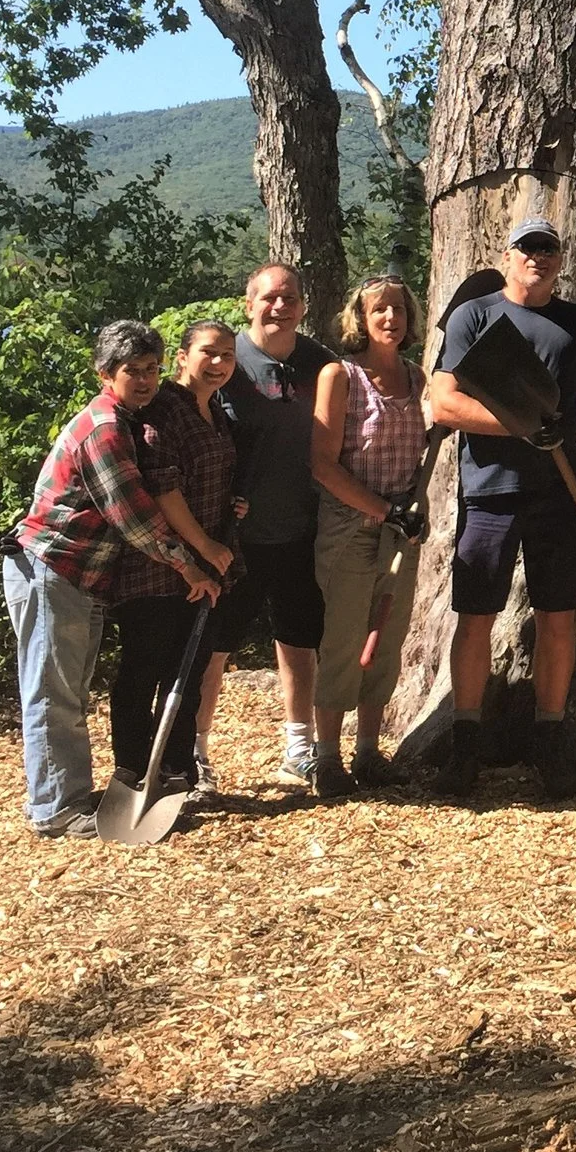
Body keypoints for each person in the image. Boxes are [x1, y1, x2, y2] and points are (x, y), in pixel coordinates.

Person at [3, 320, 218, 838]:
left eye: (151, 369)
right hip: (52, 569)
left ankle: (65, 794)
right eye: (131, 371)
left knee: (69, 692)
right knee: (53, 693)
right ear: (105, 374)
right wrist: (189, 563)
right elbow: (134, 517)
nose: (144, 380)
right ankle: (55, 808)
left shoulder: (126, 420)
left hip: (78, 578)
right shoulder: (104, 429)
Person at [426, 216, 576, 801]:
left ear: (561, 260)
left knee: (560, 618)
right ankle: (465, 741)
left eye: (548, 249)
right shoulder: (474, 316)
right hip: (489, 493)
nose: (538, 257)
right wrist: (518, 425)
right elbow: (444, 403)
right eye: (527, 248)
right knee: (476, 615)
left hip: (561, 496)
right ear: (507, 257)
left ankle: (550, 738)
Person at [216, 263, 338, 793]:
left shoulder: (322, 364)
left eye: (289, 297)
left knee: (298, 639)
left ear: (302, 307)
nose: (279, 306)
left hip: (301, 529)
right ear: (250, 305)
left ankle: (298, 747)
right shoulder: (226, 362)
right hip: (233, 537)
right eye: (268, 297)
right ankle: (194, 754)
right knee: (215, 646)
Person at [309, 274, 430, 795]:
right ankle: (327, 758)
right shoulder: (340, 376)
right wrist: (381, 509)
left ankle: (368, 753)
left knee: (388, 640)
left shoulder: (418, 379)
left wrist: (408, 513)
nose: (389, 319)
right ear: (360, 317)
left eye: (398, 310)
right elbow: (321, 463)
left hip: (400, 532)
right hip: (350, 526)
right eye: (378, 309)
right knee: (342, 642)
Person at [142, 319, 245, 799]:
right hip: (167, 563)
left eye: (227, 354)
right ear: (183, 357)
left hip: (209, 559)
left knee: (193, 664)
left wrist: (231, 506)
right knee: (161, 667)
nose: (219, 363)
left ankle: (180, 767)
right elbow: (164, 488)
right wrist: (202, 548)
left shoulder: (215, 410)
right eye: (208, 353)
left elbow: (209, 475)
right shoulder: (166, 409)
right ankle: (144, 768)